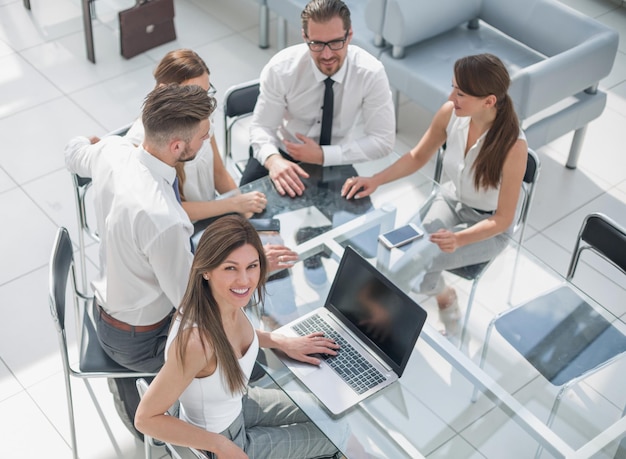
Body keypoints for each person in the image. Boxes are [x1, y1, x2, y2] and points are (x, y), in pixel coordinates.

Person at [64, 84, 215, 437]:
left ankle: (126, 391)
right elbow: (190, 303)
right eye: (204, 138)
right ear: (178, 146)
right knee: (225, 366)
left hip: (111, 311)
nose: (207, 142)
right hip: (141, 340)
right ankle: (165, 431)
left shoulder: (114, 150)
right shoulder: (164, 219)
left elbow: (73, 152)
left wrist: (87, 142)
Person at [341, 53, 528, 337]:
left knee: (419, 265)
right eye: (453, 87)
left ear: (489, 101)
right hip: (450, 201)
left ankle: (373, 317)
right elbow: (417, 157)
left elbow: (503, 219)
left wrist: (459, 238)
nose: (452, 97)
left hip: (487, 226)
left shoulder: (514, 148)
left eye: (461, 93)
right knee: (405, 255)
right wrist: (375, 179)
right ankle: (427, 298)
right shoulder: (450, 114)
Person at [135, 215, 341, 459]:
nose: (244, 281)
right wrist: (221, 446)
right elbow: (145, 418)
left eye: (252, 266)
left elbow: (233, 337)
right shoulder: (196, 343)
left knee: (333, 409)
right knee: (339, 433)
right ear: (207, 270)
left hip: (240, 402)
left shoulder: (221, 299)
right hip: (223, 439)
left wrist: (279, 340)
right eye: (230, 268)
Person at [125, 48, 299, 272]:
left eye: (206, 92)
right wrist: (233, 204)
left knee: (274, 256)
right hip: (180, 235)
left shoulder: (200, 115)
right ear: (165, 91)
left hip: (213, 215)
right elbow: (170, 211)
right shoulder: (144, 144)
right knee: (250, 268)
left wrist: (247, 217)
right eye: (195, 94)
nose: (204, 103)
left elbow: (219, 173)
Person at [242, 0, 395, 197]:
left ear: (349, 35)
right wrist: (273, 160)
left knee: (359, 226)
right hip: (282, 152)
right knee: (241, 220)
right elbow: (262, 127)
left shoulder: (370, 73)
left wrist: (323, 156)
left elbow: (383, 140)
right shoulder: (281, 68)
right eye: (317, 44)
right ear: (305, 37)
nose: (327, 54)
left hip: (336, 158)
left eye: (335, 42)